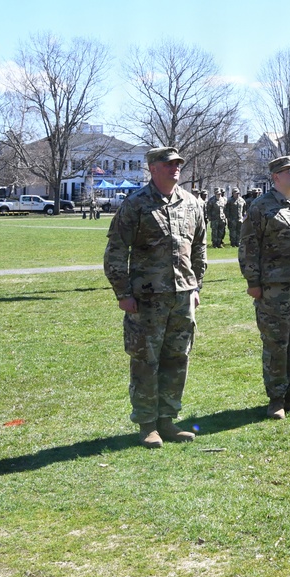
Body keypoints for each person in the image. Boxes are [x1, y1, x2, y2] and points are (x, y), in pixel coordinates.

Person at [103, 146, 207, 448]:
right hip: (146, 299)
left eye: (178, 163)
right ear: (153, 168)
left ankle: (167, 420)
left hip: (182, 296)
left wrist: (195, 286)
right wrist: (123, 293)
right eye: (168, 164)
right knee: (145, 360)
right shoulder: (136, 204)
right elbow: (116, 251)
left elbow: (199, 247)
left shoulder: (191, 203)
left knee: (177, 357)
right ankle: (147, 424)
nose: (175, 168)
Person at [238, 155, 290, 420]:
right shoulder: (260, 207)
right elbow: (248, 246)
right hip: (274, 286)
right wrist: (253, 282)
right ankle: (276, 398)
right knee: (276, 342)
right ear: (276, 176)